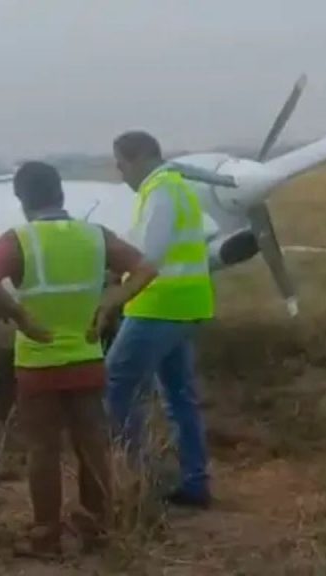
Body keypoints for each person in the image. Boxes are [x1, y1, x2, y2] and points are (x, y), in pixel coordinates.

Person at [0, 162, 158, 557]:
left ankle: (47, 538)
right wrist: (111, 303)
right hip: (87, 358)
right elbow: (145, 267)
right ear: (60, 192)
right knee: (92, 445)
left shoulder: (18, 240)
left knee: (43, 450)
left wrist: (21, 316)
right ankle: (97, 531)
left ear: (22, 198)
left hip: (38, 363)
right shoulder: (95, 236)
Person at [106, 131, 215, 509]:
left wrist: (111, 300)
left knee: (114, 383)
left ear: (137, 159)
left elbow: (147, 262)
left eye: (121, 165)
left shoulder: (161, 192)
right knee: (179, 397)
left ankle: (133, 478)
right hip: (185, 306)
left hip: (158, 308)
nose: (122, 175)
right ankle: (194, 482)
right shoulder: (179, 187)